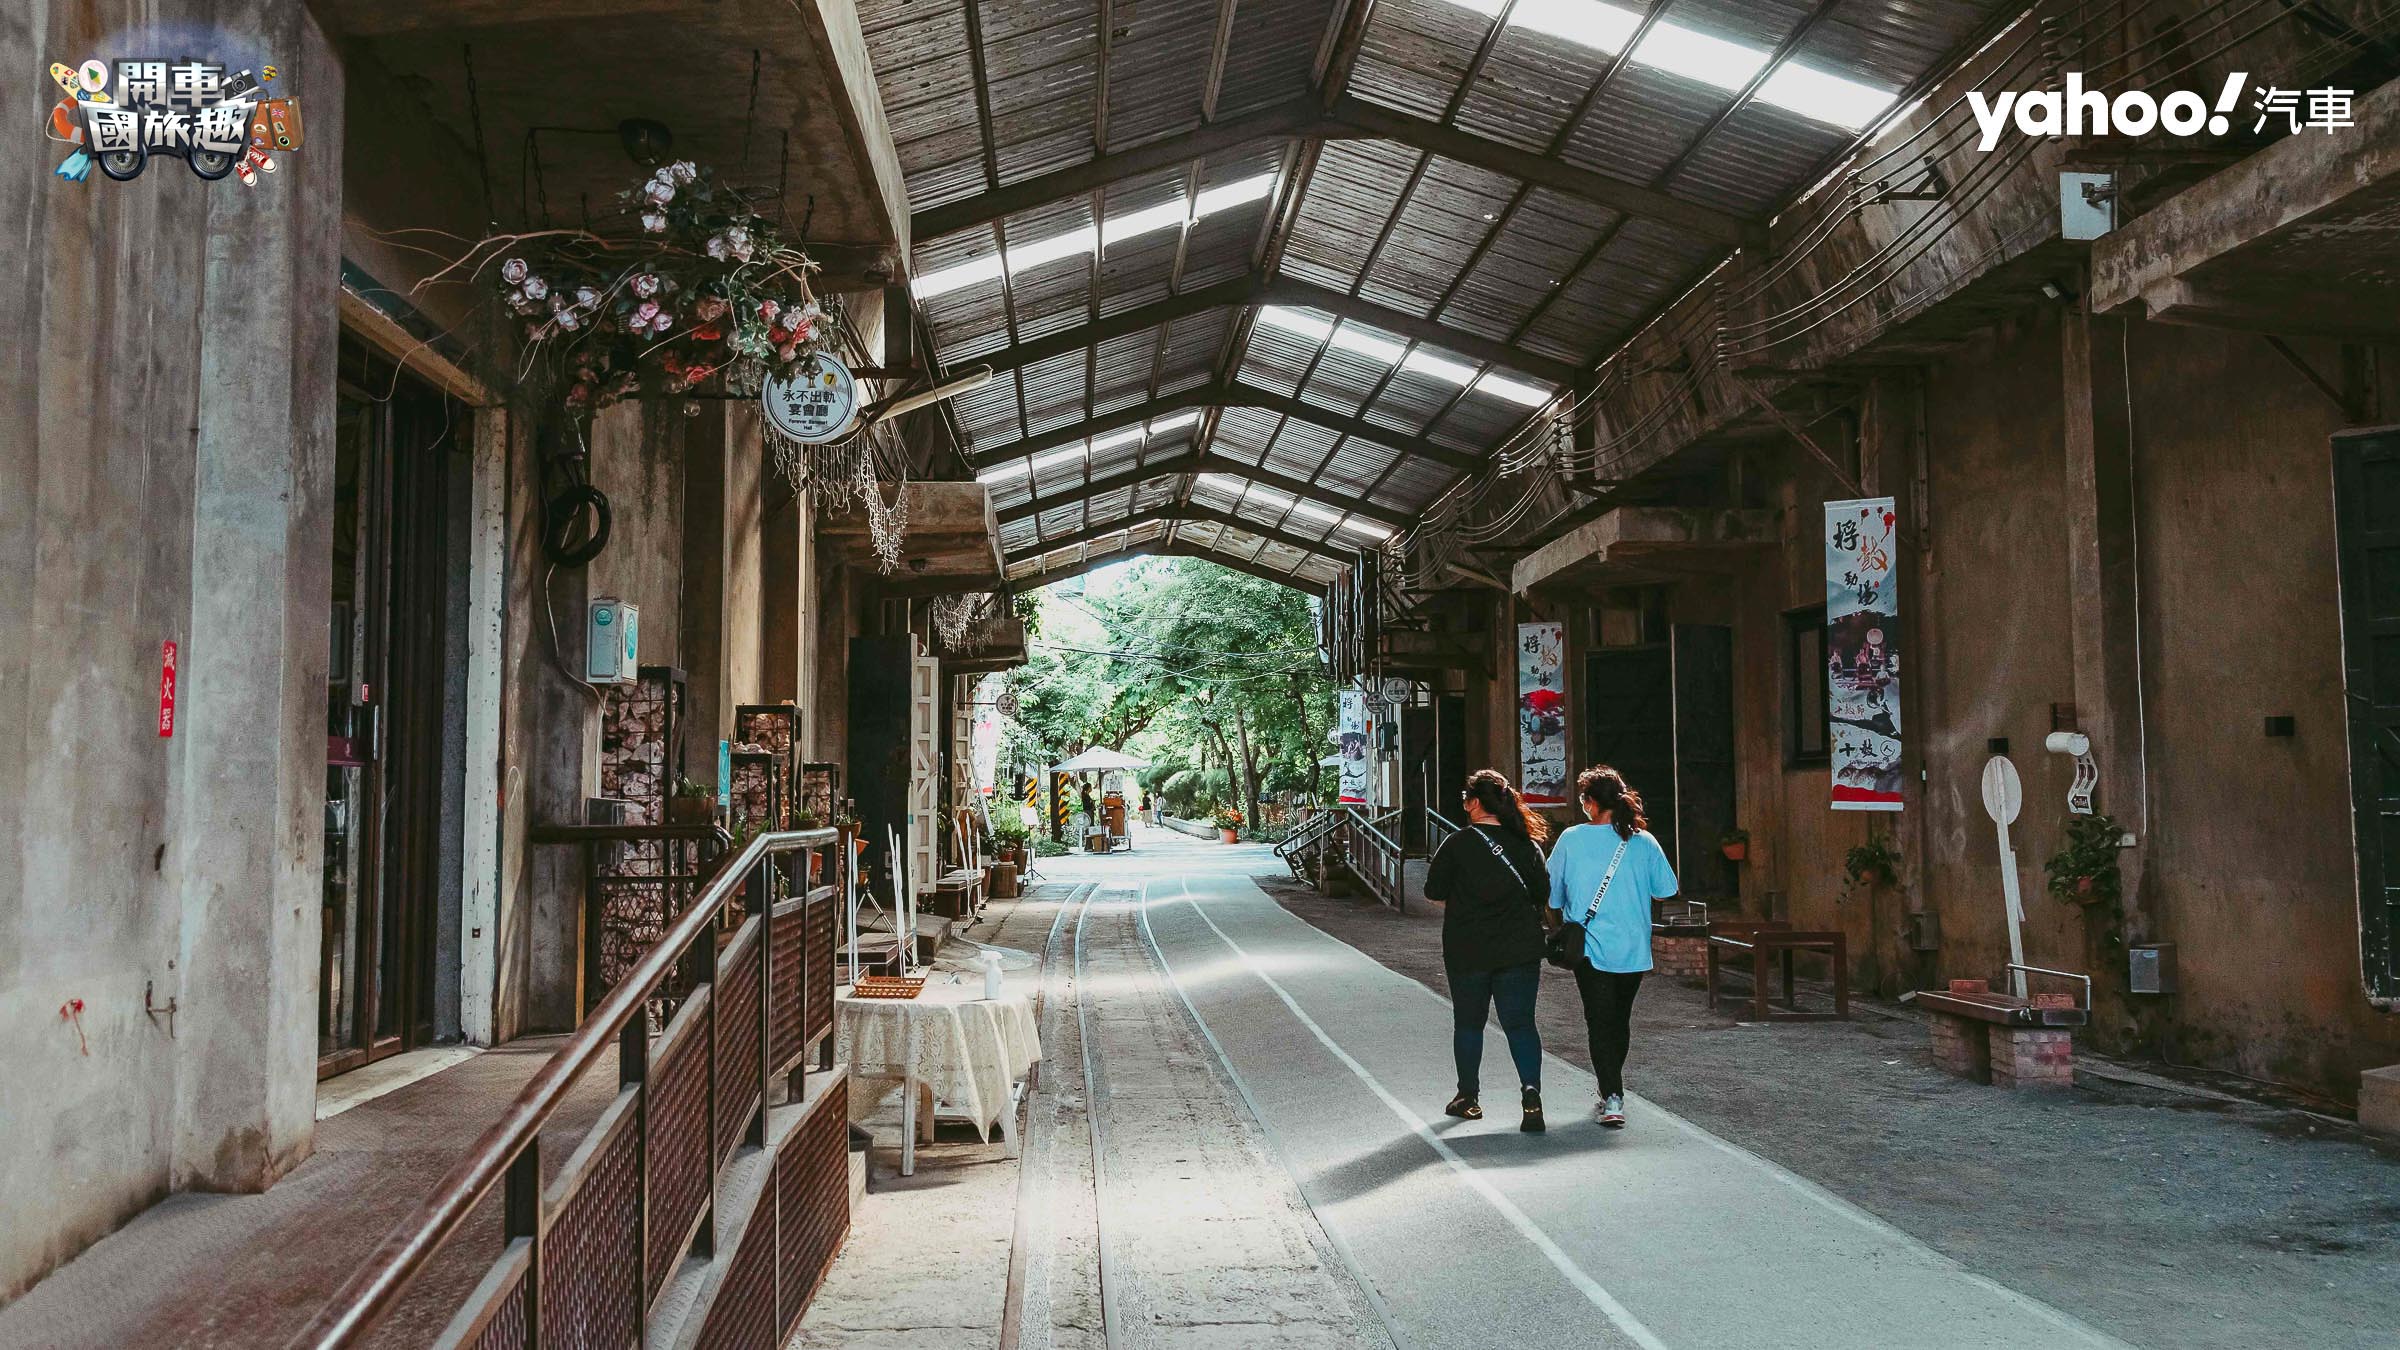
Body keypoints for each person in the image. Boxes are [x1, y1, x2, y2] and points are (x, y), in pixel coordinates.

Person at [1546, 765, 1678, 1128]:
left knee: (1599, 1021)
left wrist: (1560, 924)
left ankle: (1612, 1095)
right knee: (1619, 1021)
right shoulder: (1643, 841)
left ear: (1589, 802)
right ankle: (1611, 1090)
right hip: (1633, 948)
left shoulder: (1571, 839)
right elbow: (1666, 890)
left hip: (1590, 948)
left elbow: (1552, 895)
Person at [1422, 769, 1553, 1132]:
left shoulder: (1458, 843)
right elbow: (1542, 895)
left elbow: (1433, 892)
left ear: (1475, 803)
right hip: (1520, 950)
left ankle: (1468, 1097)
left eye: (1465, 800)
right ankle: (1531, 1095)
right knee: (1521, 1024)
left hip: (1468, 949)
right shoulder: (1528, 845)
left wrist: (1466, 902)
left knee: (1469, 1023)